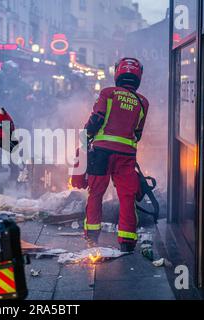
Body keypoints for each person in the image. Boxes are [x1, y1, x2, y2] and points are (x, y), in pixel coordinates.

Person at [83, 57, 149, 252]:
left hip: (102, 153)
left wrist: (87, 135)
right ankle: (127, 242)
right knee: (127, 196)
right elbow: (138, 133)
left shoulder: (107, 93)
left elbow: (96, 119)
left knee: (96, 193)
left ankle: (92, 237)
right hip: (126, 156)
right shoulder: (143, 102)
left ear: (118, 73)